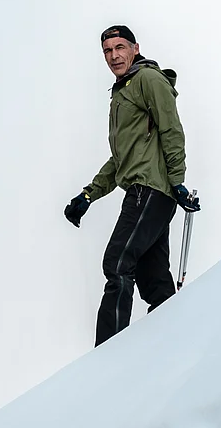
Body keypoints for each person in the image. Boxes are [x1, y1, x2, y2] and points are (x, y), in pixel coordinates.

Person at [65, 25, 200, 346]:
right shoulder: (122, 92)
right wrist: (88, 195)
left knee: (117, 263)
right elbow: (120, 160)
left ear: (135, 48)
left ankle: (108, 354)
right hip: (147, 191)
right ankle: (174, 346)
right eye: (108, 51)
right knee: (153, 279)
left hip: (150, 191)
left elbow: (172, 129)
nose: (114, 56)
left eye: (120, 47)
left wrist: (178, 181)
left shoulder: (148, 80)